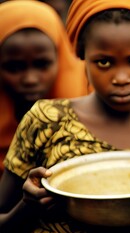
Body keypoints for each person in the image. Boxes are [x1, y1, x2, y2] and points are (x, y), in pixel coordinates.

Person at [0, 0, 130, 233]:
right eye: (104, 62)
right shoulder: (46, 120)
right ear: (81, 54)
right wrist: (29, 207)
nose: (121, 78)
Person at [0, 1, 88, 179]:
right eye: (14, 67)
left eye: (42, 64)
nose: (30, 79)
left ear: (61, 58)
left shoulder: (91, 99)